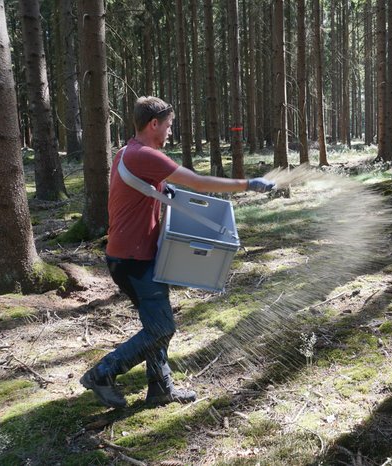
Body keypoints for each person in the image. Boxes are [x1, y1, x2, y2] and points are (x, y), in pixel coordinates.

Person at [81, 96, 274, 408]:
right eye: (168, 125)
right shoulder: (146, 156)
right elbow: (197, 182)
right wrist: (248, 184)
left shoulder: (127, 151)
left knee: (157, 323)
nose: (171, 131)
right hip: (134, 260)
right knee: (162, 327)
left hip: (129, 255)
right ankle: (103, 373)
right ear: (153, 124)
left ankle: (161, 388)